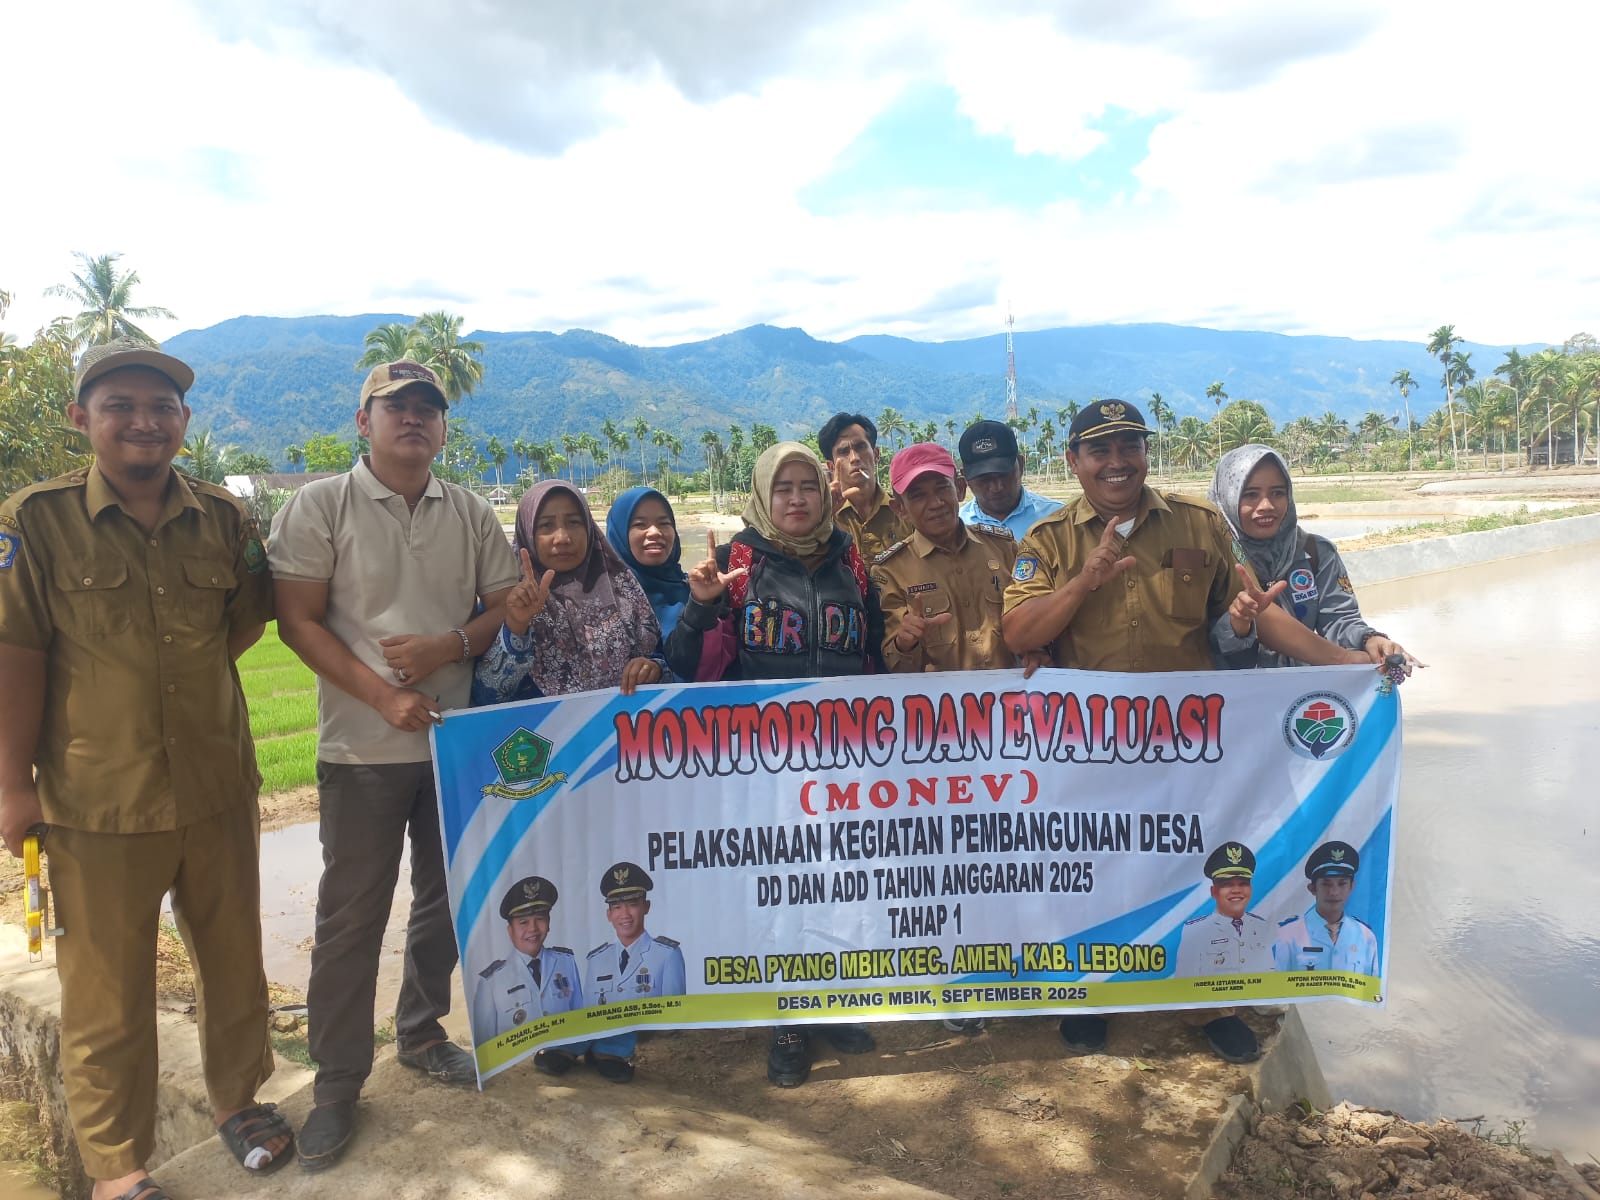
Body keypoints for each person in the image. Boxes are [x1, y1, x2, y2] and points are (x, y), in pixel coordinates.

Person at [0, 340, 289, 1200]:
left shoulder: (223, 518)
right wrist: (12, 785)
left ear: (184, 421)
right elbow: (15, 657)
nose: (144, 422)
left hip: (215, 785)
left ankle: (239, 1102)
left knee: (234, 961)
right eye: (120, 405)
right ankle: (116, 1166)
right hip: (98, 800)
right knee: (106, 991)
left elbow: (245, 620)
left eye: (162, 407)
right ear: (80, 418)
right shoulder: (34, 522)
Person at [1002, 399, 1371, 1064]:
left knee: (1202, 869)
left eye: (1130, 446)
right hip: (1093, 753)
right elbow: (1018, 631)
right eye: (1100, 450)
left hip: (1192, 750)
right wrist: (1084, 582)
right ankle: (1095, 997)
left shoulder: (1198, 524)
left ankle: (1208, 1005)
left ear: (1146, 453)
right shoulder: (1050, 541)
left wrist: (1348, 664)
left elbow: (1259, 614)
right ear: (1074, 461)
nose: (1117, 462)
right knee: (1097, 871)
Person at [269, 359, 520, 1171]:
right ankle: (338, 1084)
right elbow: (298, 622)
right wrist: (383, 697)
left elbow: (502, 609)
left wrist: (448, 646)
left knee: (444, 900)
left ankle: (419, 1033)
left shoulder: (468, 510)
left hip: (453, 743)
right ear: (363, 421)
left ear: (443, 427)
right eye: (396, 406)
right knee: (351, 918)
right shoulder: (321, 505)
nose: (413, 418)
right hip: (362, 748)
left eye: (427, 409)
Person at [665, 440, 885, 1086]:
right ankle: (788, 1019)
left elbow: (873, 655)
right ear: (764, 493)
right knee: (782, 887)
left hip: (842, 757)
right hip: (763, 763)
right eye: (783, 487)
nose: (796, 499)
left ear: (825, 491)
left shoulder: (851, 560)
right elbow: (684, 664)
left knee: (838, 880)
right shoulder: (736, 562)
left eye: (807, 486)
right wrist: (702, 606)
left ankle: (833, 999)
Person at [872, 441, 1020, 1033]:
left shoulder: (1004, 548)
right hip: (940, 747)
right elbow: (893, 667)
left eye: (941, 488)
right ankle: (956, 984)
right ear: (900, 507)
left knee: (1010, 857)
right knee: (951, 865)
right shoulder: (890, 570)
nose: (933, 502)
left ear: (959, 489)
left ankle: (1012, 968)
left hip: (1012, 736)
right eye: (918, 495)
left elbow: (1030, 623)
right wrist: (907, 639)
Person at [1208, 445, 1413, 668]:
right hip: (1230, 688)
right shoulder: (1212, 558)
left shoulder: (1316, 552)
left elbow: (1339, 619)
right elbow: (1201, 638)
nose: (1266, 505)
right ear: (1227, 497)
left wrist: (1369, 639)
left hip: (1308, 687)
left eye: (1277, 493)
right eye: (1251, 495)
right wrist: (1238, 624)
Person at [472, 479, 668, 706]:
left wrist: (651, 669)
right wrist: (516, 625)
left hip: (618, 725)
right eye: (546, 525)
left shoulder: (623, 589)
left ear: (589, 528)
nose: (563, 538)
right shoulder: (508, 598)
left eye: (574, 522)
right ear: (527, 532)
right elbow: (484, 696)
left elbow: (661, 664)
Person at [580, 862, 686, 1081]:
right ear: (609, 914)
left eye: (632, 905)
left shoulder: (666, 955)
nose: (625, 914)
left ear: (646, 906)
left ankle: (610, 1052)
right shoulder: (597, 959)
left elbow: (673, 1017)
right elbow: (589, 1012)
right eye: (617, 907)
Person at [471, 875, 584, 1042]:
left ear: (549, 923)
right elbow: (485, 1044)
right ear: (510, 930)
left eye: (540, 919)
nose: (533, 929)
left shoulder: (566, 962)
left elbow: (580, 1020)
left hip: (564, 1055)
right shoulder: (491, 982)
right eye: (523, 922)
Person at [1272, 841, 1379, 975]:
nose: (1334, 892)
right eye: (1326, 884)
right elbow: (1277, 984)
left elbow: (1371, 985)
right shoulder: (1288, 934)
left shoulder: (1365, 936)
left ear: (1352, 887)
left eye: (1342, 884)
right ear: (1312, 888)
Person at [819, 411, 910, 562]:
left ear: (876, 454)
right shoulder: (825, 516)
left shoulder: (904, 511)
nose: (854, 458)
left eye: (860, 447)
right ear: (831, 466)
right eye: (843, 451)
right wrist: (823, 515)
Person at [1175, 843, 1275, 977]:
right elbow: (1185, 983)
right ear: (1214, 891)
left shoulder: (1262, 927)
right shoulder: (1195, 930)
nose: (1236, 890)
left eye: (1243, 884)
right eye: (1227, 884)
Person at [604, 486, 690, 638]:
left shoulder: (695, 589)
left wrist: (707, 604)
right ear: (619, 534)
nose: (655, 532)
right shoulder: (602, 601)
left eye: (664, 523)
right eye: (639, 524)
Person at [957, 419, 1063, 540]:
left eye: (1003, 475)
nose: (996, 487)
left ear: (1021, 465)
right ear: (965, 477)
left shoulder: (1058, 520)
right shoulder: (956, 530)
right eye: (984, 479)